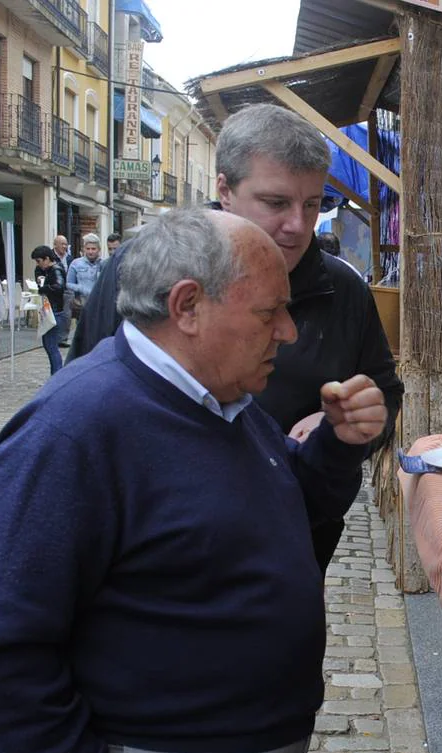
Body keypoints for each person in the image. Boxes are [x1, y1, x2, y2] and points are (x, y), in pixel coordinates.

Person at [0, 208, 386, 753]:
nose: (290, 332)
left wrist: (335, 445)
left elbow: (293, 511)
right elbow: (0, 647)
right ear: (187, 305)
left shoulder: (224, 399)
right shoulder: (75, 428)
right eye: (271, 311)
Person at [67, 103, 404, 572]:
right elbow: (82, 398)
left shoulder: (344, 289)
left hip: (297, 543)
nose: (298, 225)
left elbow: (384, 393)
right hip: (158, 559)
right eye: (276, 203)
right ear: (224, 190)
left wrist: (346, 430)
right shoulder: (139, 267)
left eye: (312, 204)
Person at [31, 246, 66, 376]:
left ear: (47, 259)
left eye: (39, 261)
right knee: (49, 345)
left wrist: (44, 288)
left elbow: (59, 286)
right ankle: (56, 374)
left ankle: (57, 374)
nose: (38, 264)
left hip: (55, 310)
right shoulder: (47, 270)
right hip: (51, 309)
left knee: (51, 345)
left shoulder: (55, 270)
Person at [65, 232, 102, 323]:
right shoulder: (76, 263)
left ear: (99, 249)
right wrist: (81, 288)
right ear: (84, 249)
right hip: (82, 305)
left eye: (93, 249)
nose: (90, 251)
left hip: (100, 305)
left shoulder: (104, 264)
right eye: (88, 249)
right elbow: (68, 284)